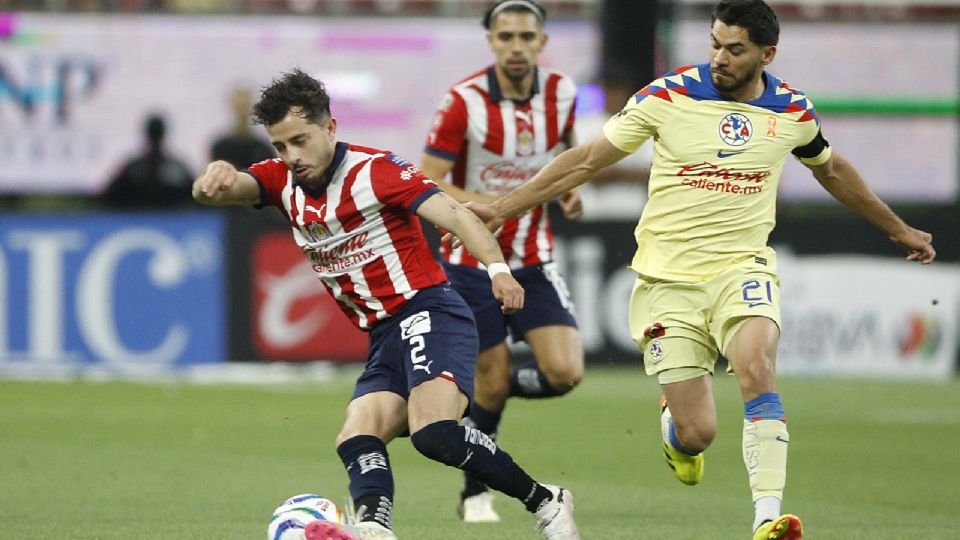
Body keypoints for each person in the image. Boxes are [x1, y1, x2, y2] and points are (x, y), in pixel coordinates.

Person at [456, 1, 937, 539]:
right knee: (698, 432)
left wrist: (897, 228)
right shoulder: (669, 95)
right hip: (668, 283)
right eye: (715, 44)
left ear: (766, 54)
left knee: (757, 367)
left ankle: (767, 516)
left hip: (742, 268)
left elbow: (833, 169)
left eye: (734, 50)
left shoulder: (792, 112)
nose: (719, 58)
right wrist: (504, 206)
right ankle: (676, 431)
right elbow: (587, 159)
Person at [192, 69, 579, 540]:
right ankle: (375, 528)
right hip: (383, 333)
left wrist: (498, 270)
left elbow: (455, 214)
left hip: (431, 312)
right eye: (280, 146)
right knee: (357, 436)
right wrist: (213, 178)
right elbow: (225, 190)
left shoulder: (376, 171)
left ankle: (547, 502)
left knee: (433, 432)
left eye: (300, 140)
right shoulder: (279, 181)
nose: (291, 156)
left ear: (330, 129)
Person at [418, 0, 586, 523]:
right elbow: (428, 179)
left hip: (533, 257)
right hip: (469, 261)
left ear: (542, 42)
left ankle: (483, 391)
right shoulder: (461, 102)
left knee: (565, 371)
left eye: (526, 37)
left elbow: (566, 155)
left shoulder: (562, 93)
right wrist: (483, 206)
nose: (516, 46)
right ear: (491, 41)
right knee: (491, 377)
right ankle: (475, 492)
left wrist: (568, 192)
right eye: (506, 36)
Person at [103, 114, 194, 209]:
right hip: (138, 218)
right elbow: (110, 195)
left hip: (171, 219)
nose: (155, 141)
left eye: (156, 136)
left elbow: (194, 196)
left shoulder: (176, 168)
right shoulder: (133, 168)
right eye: (153, 136)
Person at [209, 86, 276, 169]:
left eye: (244, 105)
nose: (242, 111)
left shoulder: (263, 148)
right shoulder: (220, 147)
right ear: (232, 107)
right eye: (239, 106)